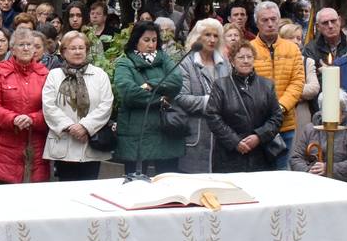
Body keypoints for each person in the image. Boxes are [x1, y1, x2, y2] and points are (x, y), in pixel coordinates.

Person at [112, 21, 186, 175]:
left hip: (166, 131)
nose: (151, 44)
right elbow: (129, 93)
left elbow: (177, 81)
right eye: (146, 40)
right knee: (136, 187)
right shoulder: (124, 63)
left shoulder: (165, 59)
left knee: (168, 184)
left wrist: (150, 85)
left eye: (154, 40)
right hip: (137, 133)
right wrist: (159, 99)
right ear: (136, 40)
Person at [0, 29, 50, 183]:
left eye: (29, 45)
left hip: (34, 144)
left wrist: (32, 119)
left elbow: (51, 108)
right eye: (21, 44)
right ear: (13, 49)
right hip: (4, 144)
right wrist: (13, 119)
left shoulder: (45, 74)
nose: (26, 48)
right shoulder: (2, 72)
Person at [42, 31, 114, 180]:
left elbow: (106, 105)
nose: (77, 51)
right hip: (63, 142)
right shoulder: (54, 75)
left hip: (91, 143)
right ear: (63, 52)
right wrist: (70, 126)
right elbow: (49, 106)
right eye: (73, 48)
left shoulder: (100, 75)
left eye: (81, 48)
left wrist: (85, 126)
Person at [206, 42, 284, 172]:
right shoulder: (221, 85)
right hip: (228, 155)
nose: (246, 61)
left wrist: (259, 136)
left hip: (261, 154)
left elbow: (276, 116)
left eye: (249, 57)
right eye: (241, 57)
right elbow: (212, 116)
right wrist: (235, 141)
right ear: (232, 61)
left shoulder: (267, 85)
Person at [250, 2, 305, 168]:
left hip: (285, 123)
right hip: (257, 124)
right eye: (264, 20)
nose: (269, 23)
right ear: (257, 23)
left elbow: (297, 82)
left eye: (273, 19)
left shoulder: (292, 49)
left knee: (282, 174)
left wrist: (280, 108)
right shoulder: (248, 49)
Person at [176, 18, 230, 173]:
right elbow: (182, 98)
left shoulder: (224, 63)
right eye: (207, 35)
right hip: (197, 135)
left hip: (222, 135)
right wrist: (213, 102)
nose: (212, 40)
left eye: (216, 36)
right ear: (198, 37)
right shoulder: (186, 63)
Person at [290, 89, 347, 184]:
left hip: (344, 184)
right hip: (312, 183)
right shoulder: (310, 129)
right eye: (326, 110)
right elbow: (296, 157)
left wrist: (329, 168)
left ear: (343, 113)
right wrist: (309, 171)